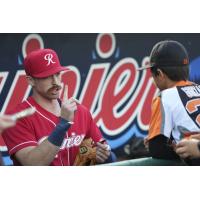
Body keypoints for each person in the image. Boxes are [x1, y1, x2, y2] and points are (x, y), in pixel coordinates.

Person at [2, 48, 116, 166]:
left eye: (57, 74)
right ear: (31, 80)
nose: (56, 82)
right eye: (46, 76)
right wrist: (63, 124)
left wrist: (104, 156)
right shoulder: (15, 119)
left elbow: (108, 155)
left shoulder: (80, 111)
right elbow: (32, 163)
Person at [138, 40, 200, 165]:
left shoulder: (164, 97)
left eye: (153, 74)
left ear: (159, 74)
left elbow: (157, 149)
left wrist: (160, 143)